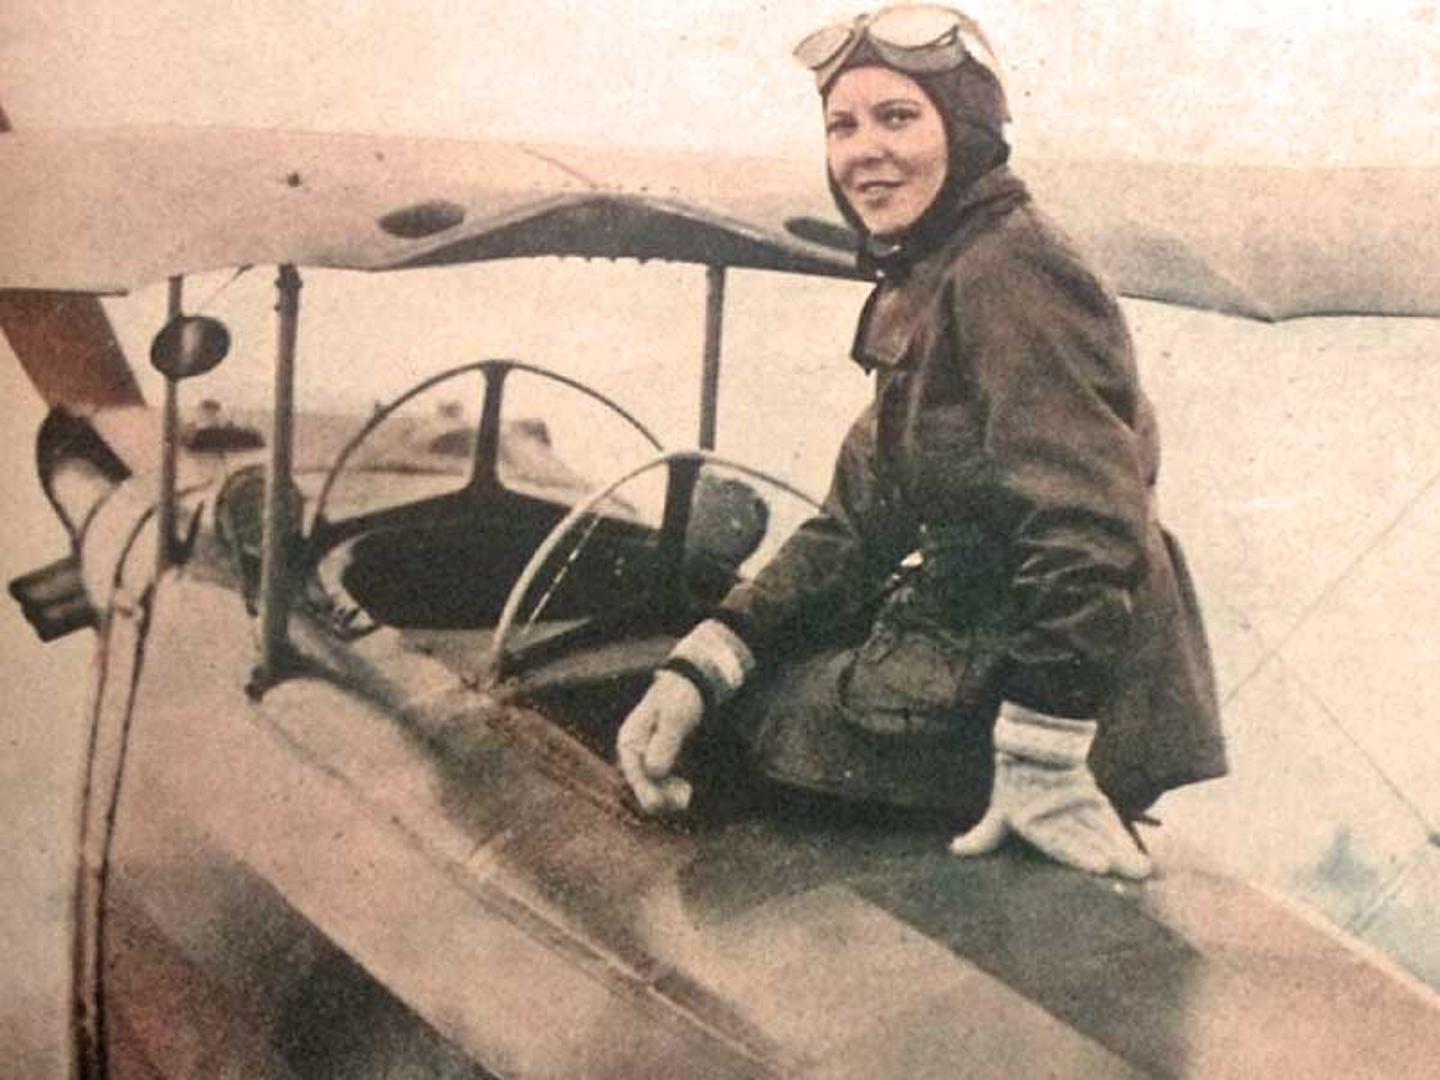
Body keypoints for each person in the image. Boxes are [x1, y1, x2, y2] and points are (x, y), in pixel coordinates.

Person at [617, 3, 1225, 880]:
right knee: (732, 696)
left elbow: (1089, 525)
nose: (865, 150)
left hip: (1047, 690)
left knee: (756, 734)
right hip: (975, 643)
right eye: (843, 126)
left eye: (897, 117)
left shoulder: (1013, 268)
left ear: (965, 130)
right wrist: (704, 660)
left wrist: (1044, 756)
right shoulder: (936, 267)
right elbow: (856, 523)